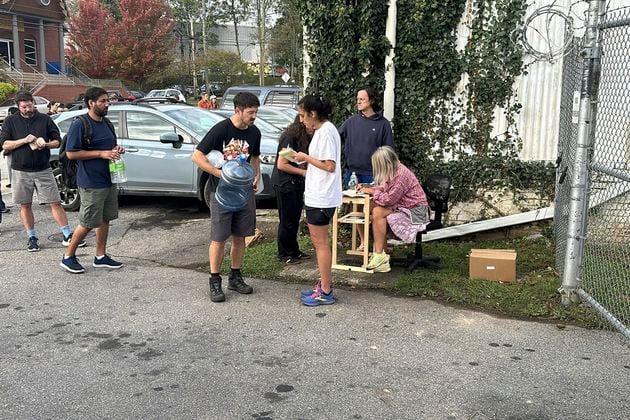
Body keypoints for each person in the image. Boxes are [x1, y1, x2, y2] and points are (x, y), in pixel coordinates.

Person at [191, 91, 262, 303]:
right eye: (250, 112)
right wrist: (219, 174)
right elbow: (197, 156)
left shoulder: (254, 132)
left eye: (255, 112)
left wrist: (256, 176)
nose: (253, 116)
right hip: (221, 193)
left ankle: (235, 277)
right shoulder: (222, 129)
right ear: (237, 110)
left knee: (240, 236)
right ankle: (214, 281)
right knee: (219, 238)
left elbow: (255, 157)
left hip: (244, 193)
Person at [0, 91, 85, 252]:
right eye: (24, 107)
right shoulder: (10, 121)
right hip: (20, 170)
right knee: (25, 205)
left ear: (33, 103)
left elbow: (57, 141)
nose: (28, 109)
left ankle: (67, 234)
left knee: (55, 202)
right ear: (18, 107)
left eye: (30, 105)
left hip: (43, 168)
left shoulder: (45, 119)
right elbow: (5, 144)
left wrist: (45, 144)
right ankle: (32, 237)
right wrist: (24, 140)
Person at [60, 87, 125, 274]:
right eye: (103, 101)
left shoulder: (106, 123)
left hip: (108, 178)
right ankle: (68, 256)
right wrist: (101, 153)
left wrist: (116, 149)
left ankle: (100, 256)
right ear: (91, 103)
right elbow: (71, 153)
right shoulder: (80, 124)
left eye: (108, 101)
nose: (107, 104)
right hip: (90, 181)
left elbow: (109, 146)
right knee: (88, 222)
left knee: (105, 219)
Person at [293, 95, 342, 306]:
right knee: (318, 243)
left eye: (303, 116)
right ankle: (323, 284)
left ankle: (326, 290)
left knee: (321, 244)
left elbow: (329, 165)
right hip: (318, 194)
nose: (302, 120)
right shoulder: (323, 131)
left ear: (313, 114)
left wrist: (305, 158)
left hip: (322, 196)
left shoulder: (326, 132)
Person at [357, 146, 430, 273]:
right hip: (405, 207)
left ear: (385, 164)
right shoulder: (394, 169)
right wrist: (368, 187)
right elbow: (384, 188)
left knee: (378, 211)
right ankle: (380, 252)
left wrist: (371, 192)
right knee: (375, 208)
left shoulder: (400, 176)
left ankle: (380, 254)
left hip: (417, 212)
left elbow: (389, 200)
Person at [339, 86, 394, 251]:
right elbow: (335, 138)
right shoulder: (350, 122)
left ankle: (381, 245)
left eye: (361, 99)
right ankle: (364, 242)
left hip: (375, 175)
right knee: (358, 210)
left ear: (371, 100)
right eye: (357, 99)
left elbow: (389, 152)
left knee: (377, 210)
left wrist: (386, 176)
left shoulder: (383, 124)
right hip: (353, 174)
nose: (358, 102)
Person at [271, 112, 312, 264]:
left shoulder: (303, 139)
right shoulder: (289, 138)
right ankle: (284, 253)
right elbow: (282, 164)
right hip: (285, 184)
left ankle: (293, 250)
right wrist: (303, 172)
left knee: (294, 219)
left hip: (296, 184)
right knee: (286, 220)